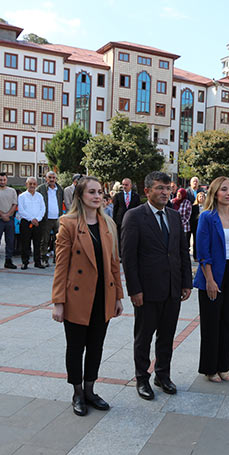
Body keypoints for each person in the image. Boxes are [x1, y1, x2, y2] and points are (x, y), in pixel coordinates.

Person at [52, 176, 124, 416]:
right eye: (91, 192)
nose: (97, 196)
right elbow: (61, 266)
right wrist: (58, 302)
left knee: (96, 346)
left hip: (103, 296)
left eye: (100, 192)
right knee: (75, 348)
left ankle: (90, 390)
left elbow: (114, 264)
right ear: (80, 196)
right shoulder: (69, 223)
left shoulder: (108, 224)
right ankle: (77, 392)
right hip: (77, 298)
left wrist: (118, 297)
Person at [122, 171, 193, 401]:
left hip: (172, 289)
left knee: (167, 336)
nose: (165, 192)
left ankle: (162, 375)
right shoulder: (134, 216)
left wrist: (186, 282)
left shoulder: (174, 216)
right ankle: (142, 378)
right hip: (147, 291)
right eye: (159, 188)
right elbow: (129, 258)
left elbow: (182, 251)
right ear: (147, 191)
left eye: (167, 188)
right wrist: (134, 290)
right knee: (143, 338)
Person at [194, 177, 229, 382]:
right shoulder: (207, 217)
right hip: (213, 274)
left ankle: (224, 365)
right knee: (211, 324)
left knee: (228, 321)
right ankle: (210, 368)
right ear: (215, 193)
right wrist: (209, 280)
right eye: (224, 189)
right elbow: (203, 252)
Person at [0, 172, 18, 270]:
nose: (2, 181)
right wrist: (2, 214)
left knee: (10, 241)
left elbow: (14, 204)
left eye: (4, 180)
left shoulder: (12, 191)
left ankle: (8, 261)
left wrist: (8, 215)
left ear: (7, 180)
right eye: (0, 180)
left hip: (9, 219)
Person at [36, 171, 64, 267]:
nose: (52, 179)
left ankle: (57, 258)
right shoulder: (41, 189)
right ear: (46, 178)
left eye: (53, 177)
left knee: (58, 240)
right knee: (45, 240)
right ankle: (44, 259)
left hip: (58, 218)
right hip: (46, 218)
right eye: (50, 177)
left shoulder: (60, 189)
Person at [18, 177, 46, 270]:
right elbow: (21, 210)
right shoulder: (22, 196)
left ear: (36, 185)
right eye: (30, 184)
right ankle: (25, 262)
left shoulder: (39, 196)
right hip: (26, 223)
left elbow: (43, 209)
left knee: (37, 243)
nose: (32, 186)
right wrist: (31, 219)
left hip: (38, 223)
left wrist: (37, 219)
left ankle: (37, 262)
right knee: (25, 243)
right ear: (26, 184)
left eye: (34, 184)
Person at [190, 191, 206, 261]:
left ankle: (203, 255)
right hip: (196, 226)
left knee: (204, 241)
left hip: (205, 227)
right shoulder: (194, 207)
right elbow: (191, 218)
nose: (201, 198)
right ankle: (195, 256)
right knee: (196, 241)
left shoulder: (207, 207)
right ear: (197, 198)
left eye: (203, 197)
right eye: (200, 197)